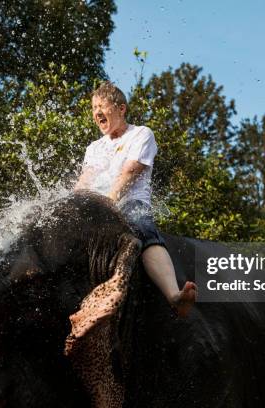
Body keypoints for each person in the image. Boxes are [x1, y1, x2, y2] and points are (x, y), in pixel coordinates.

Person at [75, 81, 197, 317]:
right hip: (97, 206)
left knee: (142, 228)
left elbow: (130, 172)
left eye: (102, 105)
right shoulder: (94, 147)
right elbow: (84, 182)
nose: (96, 112)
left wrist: (109, 203)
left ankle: (174, 296)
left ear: (121, 109)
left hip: (129, 203)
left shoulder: (141, 134)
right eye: (93, 107)